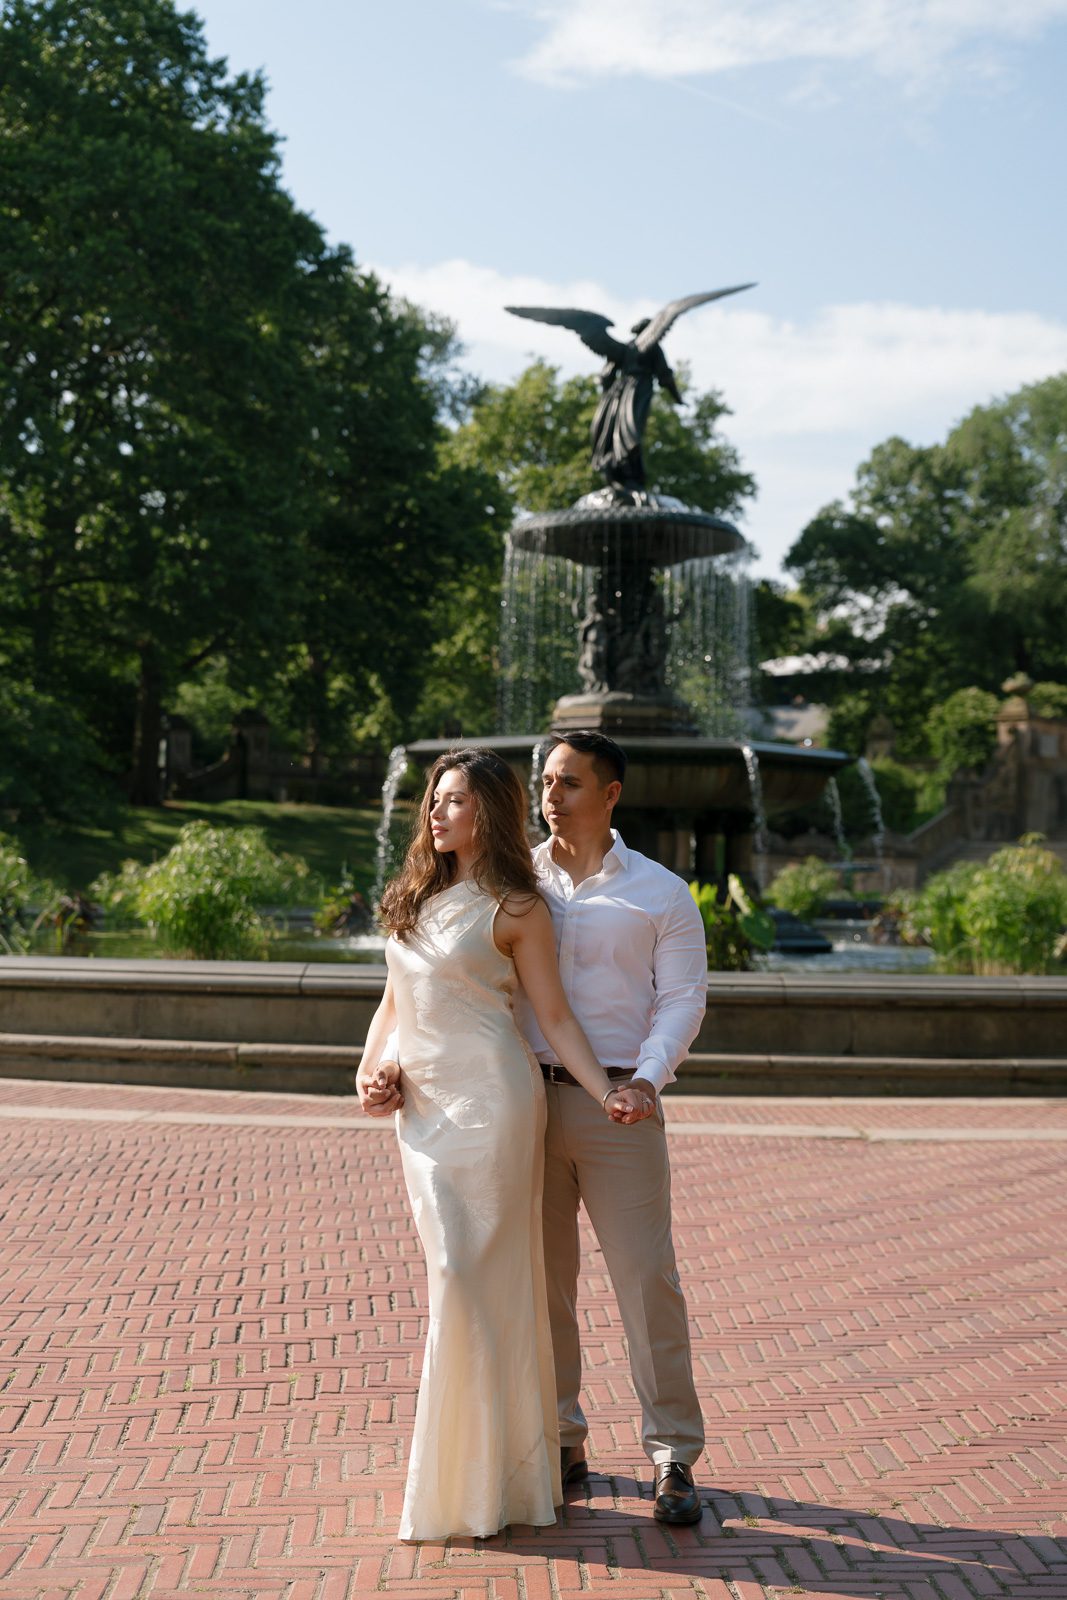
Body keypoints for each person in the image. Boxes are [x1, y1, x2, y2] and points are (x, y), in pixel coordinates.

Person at [362, 732, 710, 1526]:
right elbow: (428, 989)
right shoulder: (510, 878)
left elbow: (682, 1000)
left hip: (614, 1099)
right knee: (537, 1279)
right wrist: (383, 1066)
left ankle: (671, 1455)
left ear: (610, 793)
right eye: (546, 781)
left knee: (645, 1280)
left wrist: (644, 1081)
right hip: (513, 1103)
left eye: (571, 783)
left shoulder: (660, 894)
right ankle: (558, 1438)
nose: (552, 796)